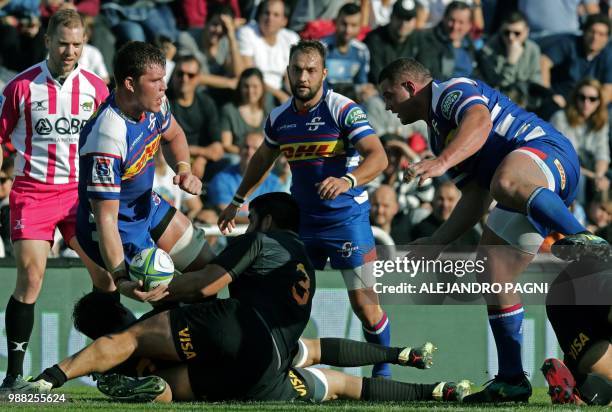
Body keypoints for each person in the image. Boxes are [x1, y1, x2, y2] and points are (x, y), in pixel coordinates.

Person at [20, 193, 469, 404]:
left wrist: (162, 289)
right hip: (267, 366)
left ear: (266, 219)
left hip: (237, 324)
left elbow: (208, 285)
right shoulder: (304, 263)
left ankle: (43, 384)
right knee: (337, 384)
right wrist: (400, 356)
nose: (247, 226)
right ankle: (434, 393)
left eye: (252, 218)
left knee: (134, 338)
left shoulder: (261, 241)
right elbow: (327, 352)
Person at [378, 57, 609, 402]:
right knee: (492, 270)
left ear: (410, 87)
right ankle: (512, 380)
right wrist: (439, 240)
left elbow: (480, 121)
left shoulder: (450, 92)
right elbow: (476, 195)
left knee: (505, 179)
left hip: (549, 152)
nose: (387, 106)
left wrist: (440, 163)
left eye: (389, 95)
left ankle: (587, 241)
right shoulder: (440, 138)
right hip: (524, 187)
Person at [218, 40, 394, 378]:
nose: (303, 76)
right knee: (290, 300)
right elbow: (262, 160)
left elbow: (379, 156)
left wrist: (348, 181)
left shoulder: (343, 109)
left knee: (365, 307)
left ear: (324, 73)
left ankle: (383, 371)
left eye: (311, 70)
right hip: (303, 225)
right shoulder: (280, 118)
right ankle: (275, 370)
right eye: (297, 69)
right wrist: (237, 200)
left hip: (348, 222)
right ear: (287, 72)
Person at [0, 9, 110, 391]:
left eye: (77, 44)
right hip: (33, 192)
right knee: (31, 278)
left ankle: (110, 365)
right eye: (63, 43)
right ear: (47, 40)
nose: (69, 51)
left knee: (107, 278)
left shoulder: (97, 89)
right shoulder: (21, 87)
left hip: (79, 196)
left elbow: (109, 143)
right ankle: (13, 377)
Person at [75, 41, 216, 305]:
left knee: (208, 275)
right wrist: (119, 279)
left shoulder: (154, 102)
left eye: (163, 78)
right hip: (118, 228)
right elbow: (106, 220)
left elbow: (173, 135)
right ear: (130, 83)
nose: (164, 87)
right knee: (171, 304)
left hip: (145, 204)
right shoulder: (107, 135)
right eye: (155, 80)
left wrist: (184, 169)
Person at [542, 256, 612, 406]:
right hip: (568, 298)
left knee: (598, 388)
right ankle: (578, 387)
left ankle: (574, 383)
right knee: (603, 390)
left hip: (592, 290)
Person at [550, 78, 610, 204]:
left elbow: (602, 154)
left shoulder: (600, 123)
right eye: (582, 97)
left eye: (592, 99)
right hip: (562, 169)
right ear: (575, 98)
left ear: (599, 102)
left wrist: (599, 176)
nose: (586, 103)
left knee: (605, 181)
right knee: (579, 179)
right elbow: (564, 159)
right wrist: (593, 176)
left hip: (588, 171)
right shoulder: (560, 118)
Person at [167, 54, 224, 180]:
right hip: (170, 157)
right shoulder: (163, 102)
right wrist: (203, 152)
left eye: (190, 75)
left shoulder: (206, 103)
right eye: (180, 74)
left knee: (230, 162)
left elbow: (218, 148)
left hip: (201, 161)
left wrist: (202, 159)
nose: (184, 79)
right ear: (173, 75)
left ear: (198, 78)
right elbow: (162, 144)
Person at [207, 132, 282, 223]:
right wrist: (260, 221)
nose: (249, 152)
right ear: (239, 150)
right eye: (246, 147)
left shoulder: (274, 182)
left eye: (256, 149)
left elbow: (277, 214)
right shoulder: (221, 179)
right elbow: (225, 214)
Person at [237, 0, 299, 103]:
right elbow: (249, 74)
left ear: (284, 21)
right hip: (254, 90)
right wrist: (280, 95)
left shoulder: (291, 38)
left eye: (276, 15)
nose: (270, 18)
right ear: (259, 16)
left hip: (281, 91)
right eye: (266, 13)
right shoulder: (247, 33)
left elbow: (290, 77)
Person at [477, 11, 542, 90]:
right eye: (506, 32)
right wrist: (511, 63)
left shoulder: (533, 49)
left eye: (517, 33)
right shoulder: (488, 50)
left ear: (526, 32)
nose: (511, 37)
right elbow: (500, 85)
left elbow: (535, 82)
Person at [410, 181, 481, 246]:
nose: (445, 204)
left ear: (459, 202)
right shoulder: (420, 231)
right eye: (440, 199)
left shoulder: (469, 232)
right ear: (433, 200)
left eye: (450, 199)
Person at [220, 68, 272, 155]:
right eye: (246, 86)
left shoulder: (270, 111)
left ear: (262, 87)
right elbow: (226, 145)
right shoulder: (229, 110)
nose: (250, 91)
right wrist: (249, 153)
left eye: (255, 86)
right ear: (239, 87)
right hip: (239, 157)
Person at [321, 3, 370, 90]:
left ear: (360, 27)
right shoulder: (321, 48)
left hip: (351, 100)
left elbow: (361, 84)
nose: (348, 30)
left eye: (353, 25)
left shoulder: (362, 51)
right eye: (344, 24)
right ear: (335, 22)